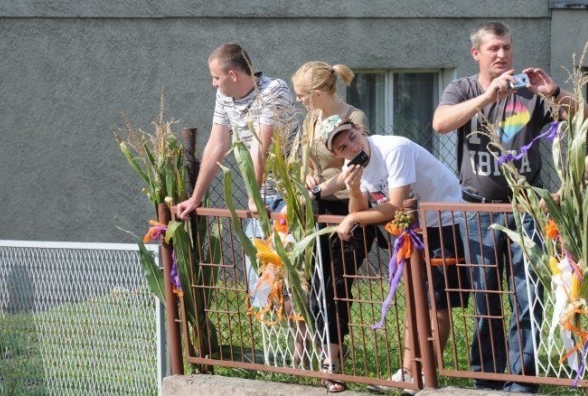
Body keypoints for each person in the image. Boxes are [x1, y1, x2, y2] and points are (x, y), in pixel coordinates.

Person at [432, 21, 586, 393]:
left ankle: (521, 381)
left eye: (506, 48)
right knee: (485, 298)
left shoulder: (529, 94)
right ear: (477, 54)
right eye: (493, 49)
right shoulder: (463, 88)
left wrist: (553, 92)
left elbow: (582, 117)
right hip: (478, 211)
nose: (502, 55)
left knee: (526, 296)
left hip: (526, 210)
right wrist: (488, 98)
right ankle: (485, 377)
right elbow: (440, 123)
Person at [321, 115, 469, 393]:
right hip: (411, 227)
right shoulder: (354, 165)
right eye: (341, 147)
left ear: (358, 130)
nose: (351, 148)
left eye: (351, 138)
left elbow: (396, 206)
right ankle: (407, 371)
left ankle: (425, 375)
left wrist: (353, 220)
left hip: (443, 220)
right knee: (415, 300)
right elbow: (360, 208)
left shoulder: (393, 149)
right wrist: (353, 188)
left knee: (435, 303)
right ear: (335, 153)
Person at [173, 43, 297, 304]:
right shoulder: (225, 98)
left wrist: (254, 195)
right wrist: (195, 198)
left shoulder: (273, 90)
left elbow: (260, 147)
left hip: (289, 197)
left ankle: (303, 344)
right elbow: (217, 145)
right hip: (261, 197)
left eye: (216, 77)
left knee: (290, 283)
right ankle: (272, 341)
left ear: (233, 75)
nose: (213, 84)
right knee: (262, 286)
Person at [291, 62, 371, 393]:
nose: (299, 102)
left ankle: (333, 365)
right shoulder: (311, 120)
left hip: (350, 206)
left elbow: (359, 164)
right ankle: (327, 354)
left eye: (302, 96)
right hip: (319, 209)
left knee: (337, 285)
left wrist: (322, 186)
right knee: (319, 285)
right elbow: (303, 161)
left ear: (320, 93)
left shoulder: (355, 117)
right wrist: (308, 175)